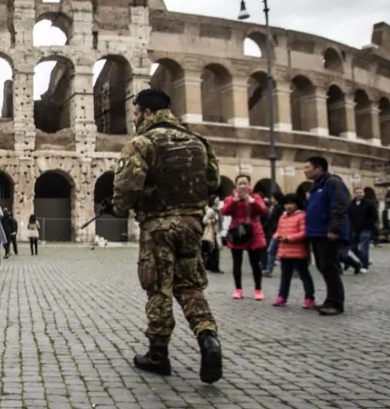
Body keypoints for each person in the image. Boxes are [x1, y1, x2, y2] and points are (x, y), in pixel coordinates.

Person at [106, 88, 222, 384]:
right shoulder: (199, 142)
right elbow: (213, 181)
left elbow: (128, 188)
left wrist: (119, 207)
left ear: (147, 112)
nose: (133, 118)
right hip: (192, 224)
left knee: (159, 287)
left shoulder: (142, 143)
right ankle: (208, 338)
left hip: (158, 226)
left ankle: (158, 354)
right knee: (191, 285)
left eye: (135, 113)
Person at [303, 156, 350, 316]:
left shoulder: (332, 183)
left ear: (319, 168)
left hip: (327, 233)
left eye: (307, 167)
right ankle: (330, 300)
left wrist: (335, 229)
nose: (304, 170)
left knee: (331, 268)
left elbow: (340, 205)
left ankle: (337, 303)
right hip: (316, 233)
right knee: (323, 267)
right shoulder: (316, 186)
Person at [221, 175, 268, 300]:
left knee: (255, 263)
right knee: (237, 263)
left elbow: (263, 210)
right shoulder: (230, 198)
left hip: (253, 232)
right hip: (237, 232)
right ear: (235, 186)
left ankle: (258, 289)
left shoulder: (256, 197)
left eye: (244, 183)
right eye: (239, 183)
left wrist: (250, 199)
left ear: (249, 185)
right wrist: (234, 201)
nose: (242, 186)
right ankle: (238, 289)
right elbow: (224, 212)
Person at [271, 194, 315, 309]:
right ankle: (282, 296)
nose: (288, 206)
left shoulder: (301, 216)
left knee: (304, 275)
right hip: (284, 251)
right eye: (286, 204)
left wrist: (289, 238)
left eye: (291, 203)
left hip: (298, 252)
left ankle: (309, 298)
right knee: (285, 276)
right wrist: (276, 236)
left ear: (297, 204)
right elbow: (278, 230)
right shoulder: (283, 217)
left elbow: (303, 232)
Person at [347, 187, 377, 271]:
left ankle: (364, 266)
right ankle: (365, 260)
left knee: (364, 248)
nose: (359, 194)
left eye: (361, 192)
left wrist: (368, 225)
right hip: (354, 229)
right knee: (352, 247)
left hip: (365, 229)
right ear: (354, 194)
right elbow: (348, 216)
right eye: (357, 192)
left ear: (363, 194)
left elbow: (374, 216)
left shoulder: (369, 204)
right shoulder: (351, 204)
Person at [201, 196, 221, 273]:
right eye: (217, 200)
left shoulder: (216, 210)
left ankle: (213, 266)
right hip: (211, 232)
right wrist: (213, 220)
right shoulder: (211, 211)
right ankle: (214, 267)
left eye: (219, 200)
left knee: (215, 250)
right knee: (214, 250)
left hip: (215, 231)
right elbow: (204, 220)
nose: (218, 201)